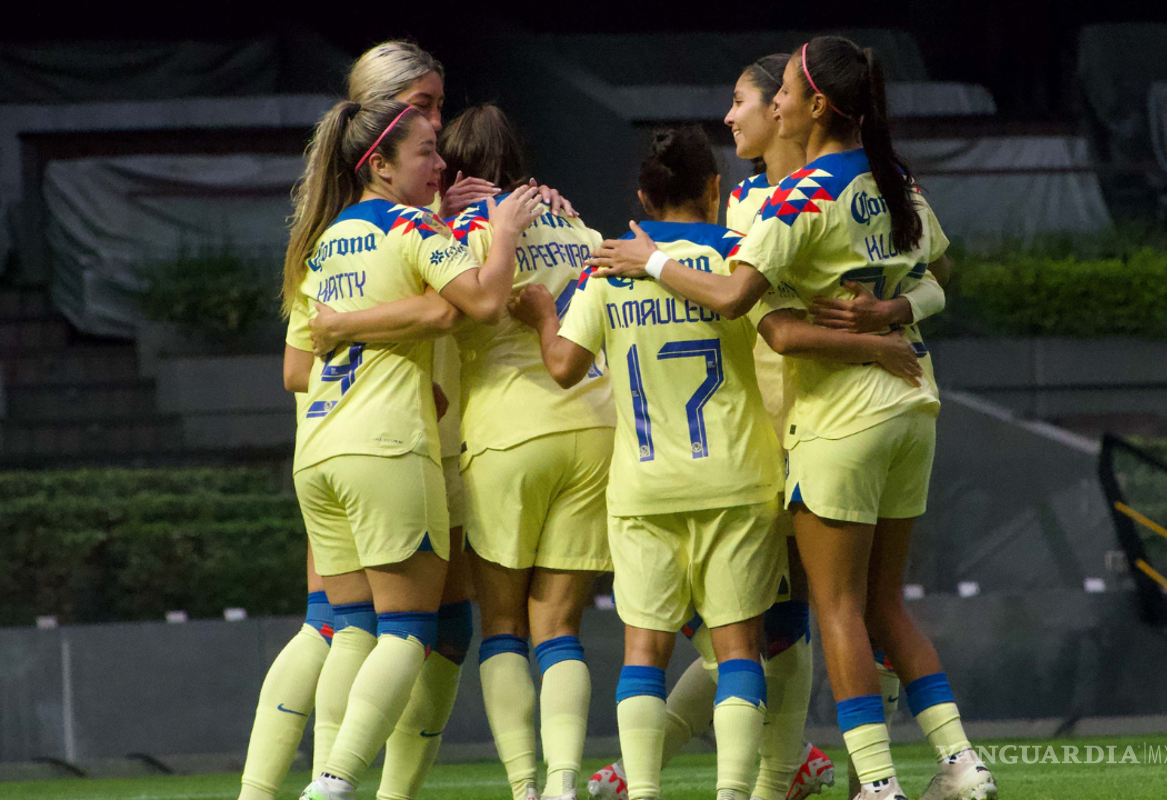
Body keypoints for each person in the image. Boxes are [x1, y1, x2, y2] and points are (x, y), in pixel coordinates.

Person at [586, 37, 995, 800]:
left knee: (790, 621)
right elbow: (935, 274)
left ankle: (829, 776)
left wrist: (646, 262)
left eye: (752, 99)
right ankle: (887, 763)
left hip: (817, 425)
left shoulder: (781, 204)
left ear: (802, 106)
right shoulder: (866, 181)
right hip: (847, 413)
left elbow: (758, 315)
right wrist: (889, 319)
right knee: (788, 623)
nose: (744, 112)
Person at [515, 125, 923, 800]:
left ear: (644, 196)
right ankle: (736, 794)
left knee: (644, 653)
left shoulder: (608, 268)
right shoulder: (738, 257)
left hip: (644, 487)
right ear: (716, 190)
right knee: (738, 652)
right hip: (736, 481)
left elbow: (562, 367)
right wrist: (878, 343)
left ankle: (641, 791)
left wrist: (539, 316)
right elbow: (788, 336)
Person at [315, 103, 615, 800]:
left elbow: (441, 307)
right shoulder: (578, 226)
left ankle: (525, 788)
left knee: (503, 627)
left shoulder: (447, 234)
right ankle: (567, 781)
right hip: (593, 425)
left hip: (505, 433)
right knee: (562, 627)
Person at [283, 98, 542, 800]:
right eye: (427, 151)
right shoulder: (408, 225)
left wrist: (363, 329)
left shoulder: (325, 239)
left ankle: (295, 783)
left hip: (319, 453)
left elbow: (295, 369)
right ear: (382, 164)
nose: (439, 165)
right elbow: (484, 302)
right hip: (387, 445)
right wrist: (504, 231)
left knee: (350, 631)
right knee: (407, 631)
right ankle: (334, 784)